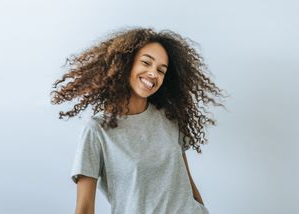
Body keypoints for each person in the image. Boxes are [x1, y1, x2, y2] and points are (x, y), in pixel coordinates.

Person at [50, 27, 227, 214]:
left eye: (161, 70)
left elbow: (186, 182)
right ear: (125, 63)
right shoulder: (97, 130)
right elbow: (85, 208)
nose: (153, 73)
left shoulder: (169, 117)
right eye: (146, 62)